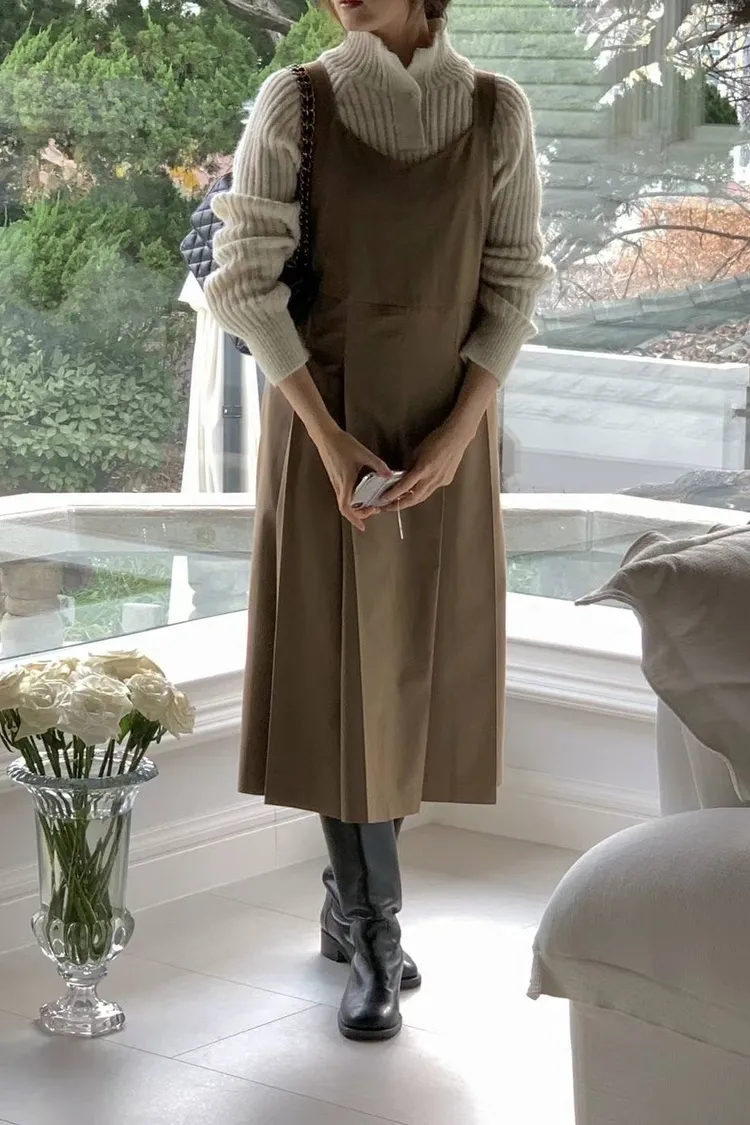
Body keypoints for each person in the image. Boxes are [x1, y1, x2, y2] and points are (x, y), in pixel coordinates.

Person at [204, 0, 553, 1042]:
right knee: (343, 677)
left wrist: (457, 440)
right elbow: (243, 283)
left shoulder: (496, 111)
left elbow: (514, 284)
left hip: (452, 431)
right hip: (329, 425)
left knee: (410, 675)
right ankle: (373, 932)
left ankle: (344, 899)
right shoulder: (297, 102)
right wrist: (324, 436)